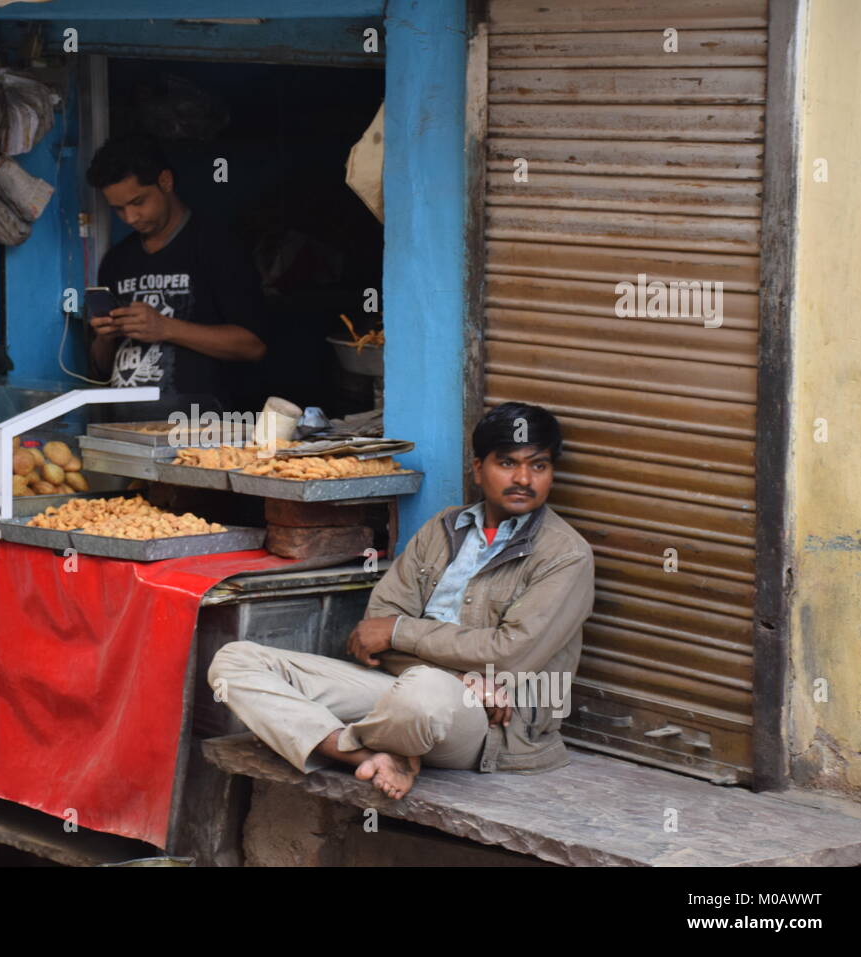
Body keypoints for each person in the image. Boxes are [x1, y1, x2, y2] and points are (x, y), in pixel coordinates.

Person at [208, 402, 596, 800]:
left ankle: (348, 743)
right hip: (409, 691)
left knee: (424, 692)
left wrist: (401, 634)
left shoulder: (565, 555)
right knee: (234, 662)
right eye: (508, 463)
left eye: (539, 466)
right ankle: (370, 753)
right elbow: (373, 634)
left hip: (487, 724)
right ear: (479, 469)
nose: (523, 479)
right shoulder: (442, 529)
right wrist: (459, 677)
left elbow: (510, 655)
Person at [84, 134, 265, 421]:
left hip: (205, 432)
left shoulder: (217, 247)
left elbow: (253, 346)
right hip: (129, 433)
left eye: (138, 202)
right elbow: (100, 371)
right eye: (118, 209)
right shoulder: (117, 261)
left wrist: (166, 328)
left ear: (165, 182)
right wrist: (105, 339)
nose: (130, 217)